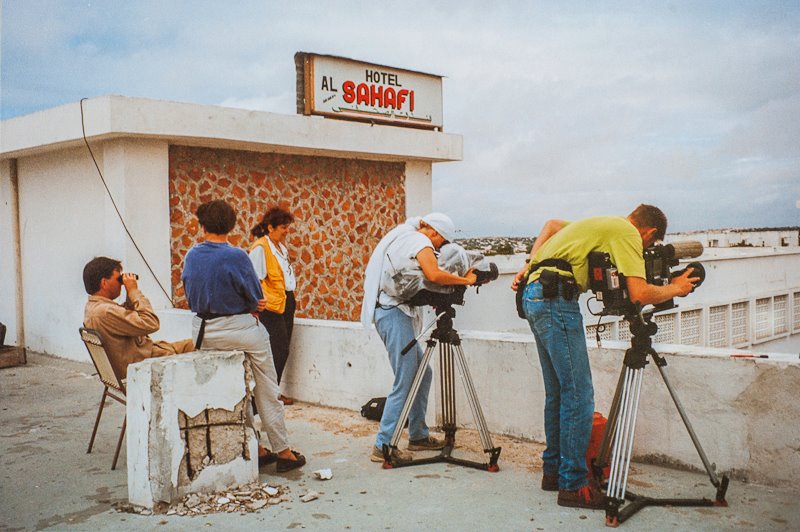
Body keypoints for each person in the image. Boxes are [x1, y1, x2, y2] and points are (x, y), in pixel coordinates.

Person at [511, 204, 699, 509]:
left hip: (535, 295)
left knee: (559, 392)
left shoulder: (602, 226)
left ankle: (554, 472)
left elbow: (551, 224)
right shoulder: (627, 232)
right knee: (578, 394)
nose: (643, 250)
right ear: (649, 232)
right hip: (556, 299)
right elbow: (639, 293)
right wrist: (676, 288)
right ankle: (573, 485)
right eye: (648, 245)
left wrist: (528, 265)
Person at [182, 199, 305, 473]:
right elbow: (256, 297)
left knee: (236, 390)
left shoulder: (192, 255)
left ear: (202, 226)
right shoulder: (237, 255)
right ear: (231, 225)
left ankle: (255, 447)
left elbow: (189, 291)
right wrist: (251, 304)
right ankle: (283, 451)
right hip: (240, 329)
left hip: (204, 331)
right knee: (267, 388)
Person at [361, 213, 477, 463]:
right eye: (441, 242)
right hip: (393, 314)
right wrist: (465, 280)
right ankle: (383, 445)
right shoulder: (418, 240)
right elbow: (433, 274)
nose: (438, 248)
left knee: (423, 374)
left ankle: (418, 435)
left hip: (393, 312)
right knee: (405, 379)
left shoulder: (405, 236)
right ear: (434, 232)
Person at [83, 256, 194, 380]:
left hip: (146, 355)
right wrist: (133, 291)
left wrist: (129, 295)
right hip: (146, 365)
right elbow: (151, 323)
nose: (121, 284)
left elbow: (126, 317)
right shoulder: (105, 312)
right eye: (118, 279)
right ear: (104, 283)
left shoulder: (93, 308)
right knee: (200, 344)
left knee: (197, 342)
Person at [248, 206, 297, 405]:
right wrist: (257, 303)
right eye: (283, 227)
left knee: (283, 348)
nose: (286, 231)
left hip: (285, 301)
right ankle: (267, 395)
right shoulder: (261, 248)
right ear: (271, 227)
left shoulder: (280, 248)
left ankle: (273, 392)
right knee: (278, 349)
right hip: (270, 306)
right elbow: (254, 278)